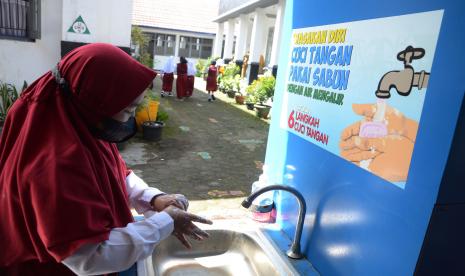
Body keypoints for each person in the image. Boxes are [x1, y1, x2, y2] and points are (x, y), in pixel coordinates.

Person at [0, 43, 212, 275]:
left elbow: (115, 172)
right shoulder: (57, 165)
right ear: (95, 103)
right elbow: (91, 256)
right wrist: (165, 222)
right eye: (129, 110)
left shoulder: (78, 122)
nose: (131, 118)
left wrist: (152, 198)